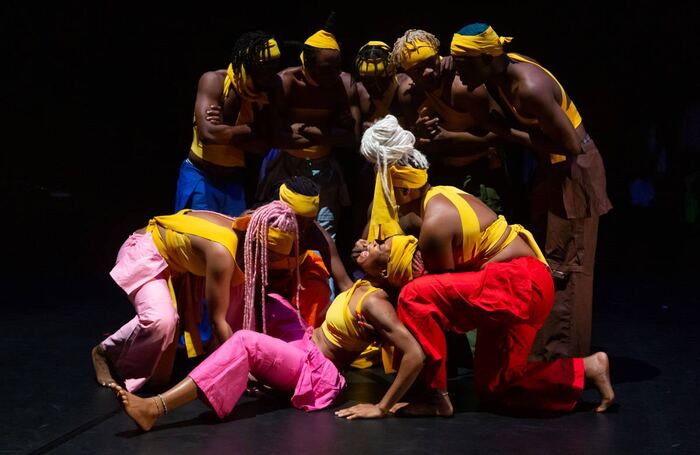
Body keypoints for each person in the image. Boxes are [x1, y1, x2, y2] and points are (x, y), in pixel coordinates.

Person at [354, 116, 614, 415]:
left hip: (518, 283)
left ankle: (436, 398)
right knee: (496, 387)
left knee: (415, 294)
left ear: (403, 191)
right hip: (518, 286)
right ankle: (587, 369)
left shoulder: (435, 225)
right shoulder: (443, 195)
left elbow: (439, 301)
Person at [109, 236, 429, 430]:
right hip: (305, 341)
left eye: (382, 247)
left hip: (315, 370)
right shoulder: (361, 285)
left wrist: (382, 407)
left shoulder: (376, 304)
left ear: (386, 271)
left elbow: (415, 353)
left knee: (246, 342)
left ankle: (156, 408)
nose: (373, 242)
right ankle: (230, 367)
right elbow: (330, 246)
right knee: (268, 300)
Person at [450, 23, 613, 359]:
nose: (458, 72)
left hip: (574, 170)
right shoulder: (496, 79)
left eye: (464, 64)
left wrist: (502, 131)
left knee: (568, 265)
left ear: (487, 58)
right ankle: (544, 350)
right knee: (545, 259)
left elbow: (571, 147)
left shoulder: (529, 86)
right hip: (551, 167)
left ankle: (565, 359)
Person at [91, 202, 300, 392]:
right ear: (255, 242)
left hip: (183, 268)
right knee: (162, 321)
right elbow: (217, 320)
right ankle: (105, 352)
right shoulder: (222, 251)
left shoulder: (246, 232)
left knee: (161, 379)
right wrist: (244, 369)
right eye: (269, 257)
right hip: (148, 253)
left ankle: (224, 365)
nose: (270, 264)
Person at [390, 29, 507, 212]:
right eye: (418, 70)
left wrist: (450, 137)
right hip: (443, 174)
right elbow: (412, 144)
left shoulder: (463, 87)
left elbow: (502, 134)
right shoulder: (409, 96)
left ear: (439, 57)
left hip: (481, 171)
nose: (428, 72)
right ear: (409, 74)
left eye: (430, 63)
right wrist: (416, 133)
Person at [257, 22, 356, 238]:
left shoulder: (344, 85)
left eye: (337, 68)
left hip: (324, 170)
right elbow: (274, 137)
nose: (334, 75)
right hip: (286, 166)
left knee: (324, 232)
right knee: (280, 228)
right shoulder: (286, 82)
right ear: (308, 65)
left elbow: (351, 139)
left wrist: (308, 132)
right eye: (326, 70)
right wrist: (328, 134)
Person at [175, 31, 281, 217]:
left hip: (233, 182)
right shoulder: (214, 81)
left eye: (275, 66)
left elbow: (263, 146)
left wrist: (224, 130)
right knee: (196, 235)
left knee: (231, 240)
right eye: (266, 67)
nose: (272, 73)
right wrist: (249, 130)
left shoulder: (267, 93)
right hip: (200, 176)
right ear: (250, 64)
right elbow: (208, 135)